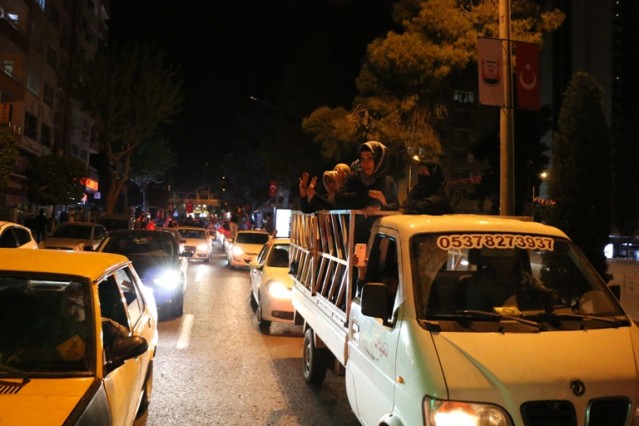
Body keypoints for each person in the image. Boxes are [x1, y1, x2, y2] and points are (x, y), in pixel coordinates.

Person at [465, 248, 553, 311]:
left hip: (527, 325)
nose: (500, 263)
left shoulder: (527, 279)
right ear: (490, 260)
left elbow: (544, 294)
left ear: (515, 258)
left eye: (506, 258)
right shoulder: (479, 281)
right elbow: (477, 314)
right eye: (496, 258)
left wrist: (546, 295)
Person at [335, 141, 399, 213]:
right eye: (362, 158)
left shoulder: (387, 181)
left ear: (379, 160)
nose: (365, 163)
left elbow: (395, 205)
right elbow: (339, 200)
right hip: (355, 220)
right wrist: (368, 194)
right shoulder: (353, 178)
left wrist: (379, 208)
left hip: (380, 220)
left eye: (370, 158)